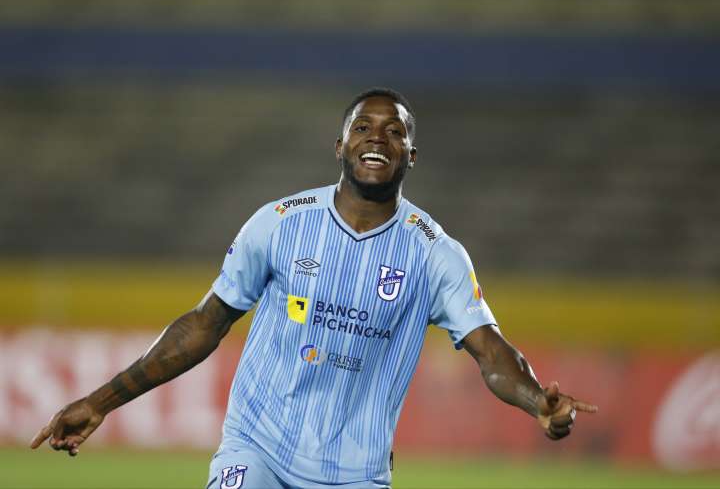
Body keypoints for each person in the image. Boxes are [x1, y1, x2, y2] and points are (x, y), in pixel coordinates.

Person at [31, 88, 597, 488]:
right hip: (257, 452)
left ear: (411, 155)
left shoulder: (436, 254)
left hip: (355, 473)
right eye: (363, 127)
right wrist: (102, 402)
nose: (378, 138)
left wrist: (537, 404)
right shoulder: (279, 223)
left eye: (394, 131)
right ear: (340, 145)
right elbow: (204, 324)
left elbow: (490, 352)